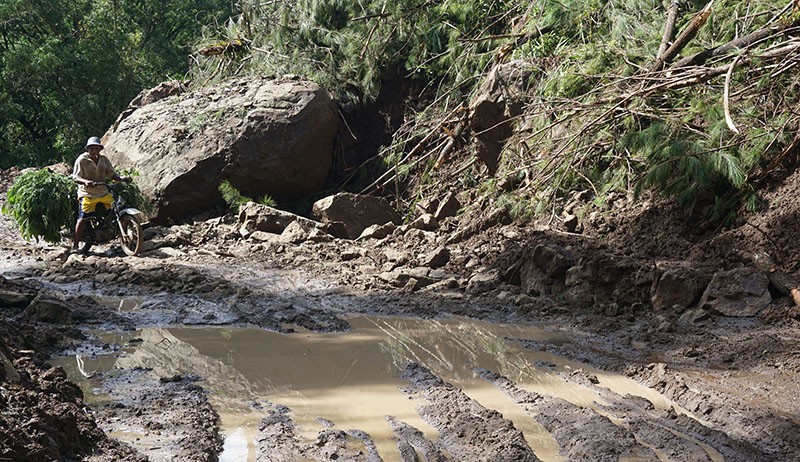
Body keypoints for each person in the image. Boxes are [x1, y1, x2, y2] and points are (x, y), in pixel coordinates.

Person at [72, 136, 130, 252]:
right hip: (87, 193)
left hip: (103, 191)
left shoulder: (103, 159)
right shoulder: (81, 160)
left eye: (96, 148)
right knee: (82, 218)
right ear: (87, 149)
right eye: (92, 148)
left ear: (100, 149)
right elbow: (75, 177)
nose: (94, 151)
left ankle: (108, 230)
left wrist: (122, 178)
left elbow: (112, 174)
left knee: (114, 210)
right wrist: (85, 182)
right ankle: (75, 245)